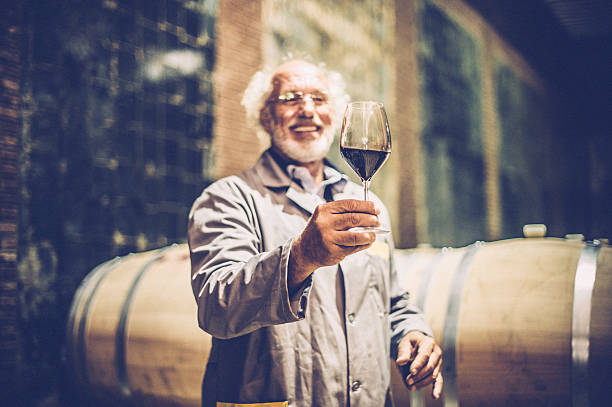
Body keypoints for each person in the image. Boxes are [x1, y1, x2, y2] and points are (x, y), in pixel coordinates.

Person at [188, 59, 443, 407]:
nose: (307, 109)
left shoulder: (366, 201)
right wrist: (299, 257)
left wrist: (411, 330)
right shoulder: (228, 198)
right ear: (265, 116)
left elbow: (392, 300)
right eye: (291, 98)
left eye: (319, 99)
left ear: (335, 116)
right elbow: (216, 306)